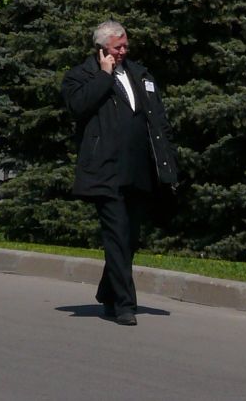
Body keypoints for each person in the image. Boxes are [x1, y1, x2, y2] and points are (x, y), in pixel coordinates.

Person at [61, 19, 178, 326]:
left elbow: (157, 118)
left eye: (126, 45)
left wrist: (166, 159)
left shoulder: (140, 73)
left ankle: (108, 291)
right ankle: (125, 305)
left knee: (130, 238)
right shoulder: (81, 76)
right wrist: (104, 75)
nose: (124, 50)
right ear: (101, 49)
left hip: (139, 169)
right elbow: (78, 107)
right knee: (116, 234)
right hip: (105, 169)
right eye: (117, 47)